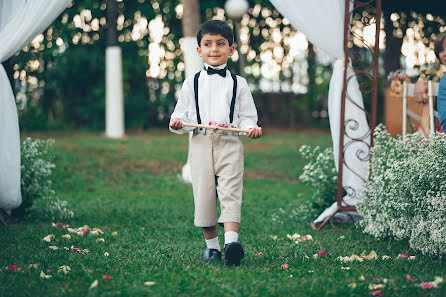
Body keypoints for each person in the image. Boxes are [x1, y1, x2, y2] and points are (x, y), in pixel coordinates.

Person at [169, 20, 262, 266]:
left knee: (231, 191)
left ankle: (232, 243)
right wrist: (177, 122)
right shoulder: (192, 82)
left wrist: (251, 128)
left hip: (230, 141)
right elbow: (181, 114)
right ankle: (212, 248)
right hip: (200, 141)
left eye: (221, 44)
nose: (214, 49)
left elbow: (247, 116)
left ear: (231, 49)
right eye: (207, 44)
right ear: (198, 50)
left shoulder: (239, 83)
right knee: (204, 195)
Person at [414, 31, 446, 134]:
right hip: (434, 134)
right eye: (441, 50)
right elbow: (425, 121)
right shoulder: (435, 78)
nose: (444, 53)